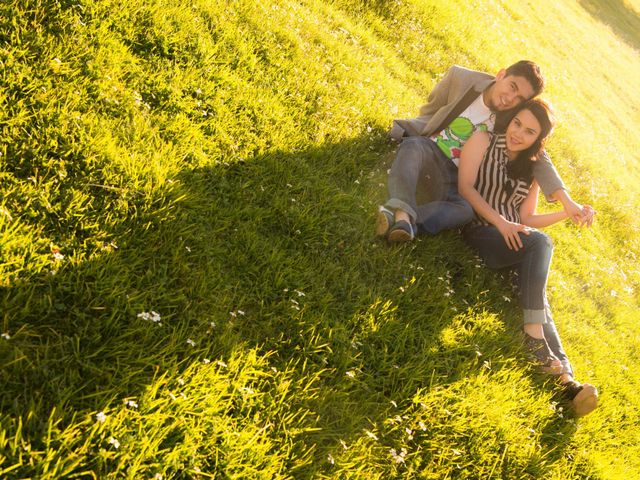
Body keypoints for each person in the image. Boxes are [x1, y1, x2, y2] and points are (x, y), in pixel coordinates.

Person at [458, 98, 597, 416]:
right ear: (511, 119)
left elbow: (528, 218)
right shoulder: (484, 140)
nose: (519, 133)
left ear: (538, 139)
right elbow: (466, 189)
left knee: (539, 300)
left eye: (530, 131)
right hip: (482, 231)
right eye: (517, 123)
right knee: (540, 246)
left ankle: (568, 384)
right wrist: (501, 223)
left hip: (515, 239)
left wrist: (566, 213)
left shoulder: (531, 167)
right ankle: (532, 335)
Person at [376, 61, 590, 243]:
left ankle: (404, 221)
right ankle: (402, 214)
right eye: (512, 87)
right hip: (429, 149)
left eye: (519, 98)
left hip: (455, 176)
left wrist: (566, 201)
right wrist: (413, 132)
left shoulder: (512, 117)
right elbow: (430, 112)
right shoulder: (461, 78)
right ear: (501, 74)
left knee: (465, 211)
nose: (510, 99)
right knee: (413, 146)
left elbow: (540, 157)